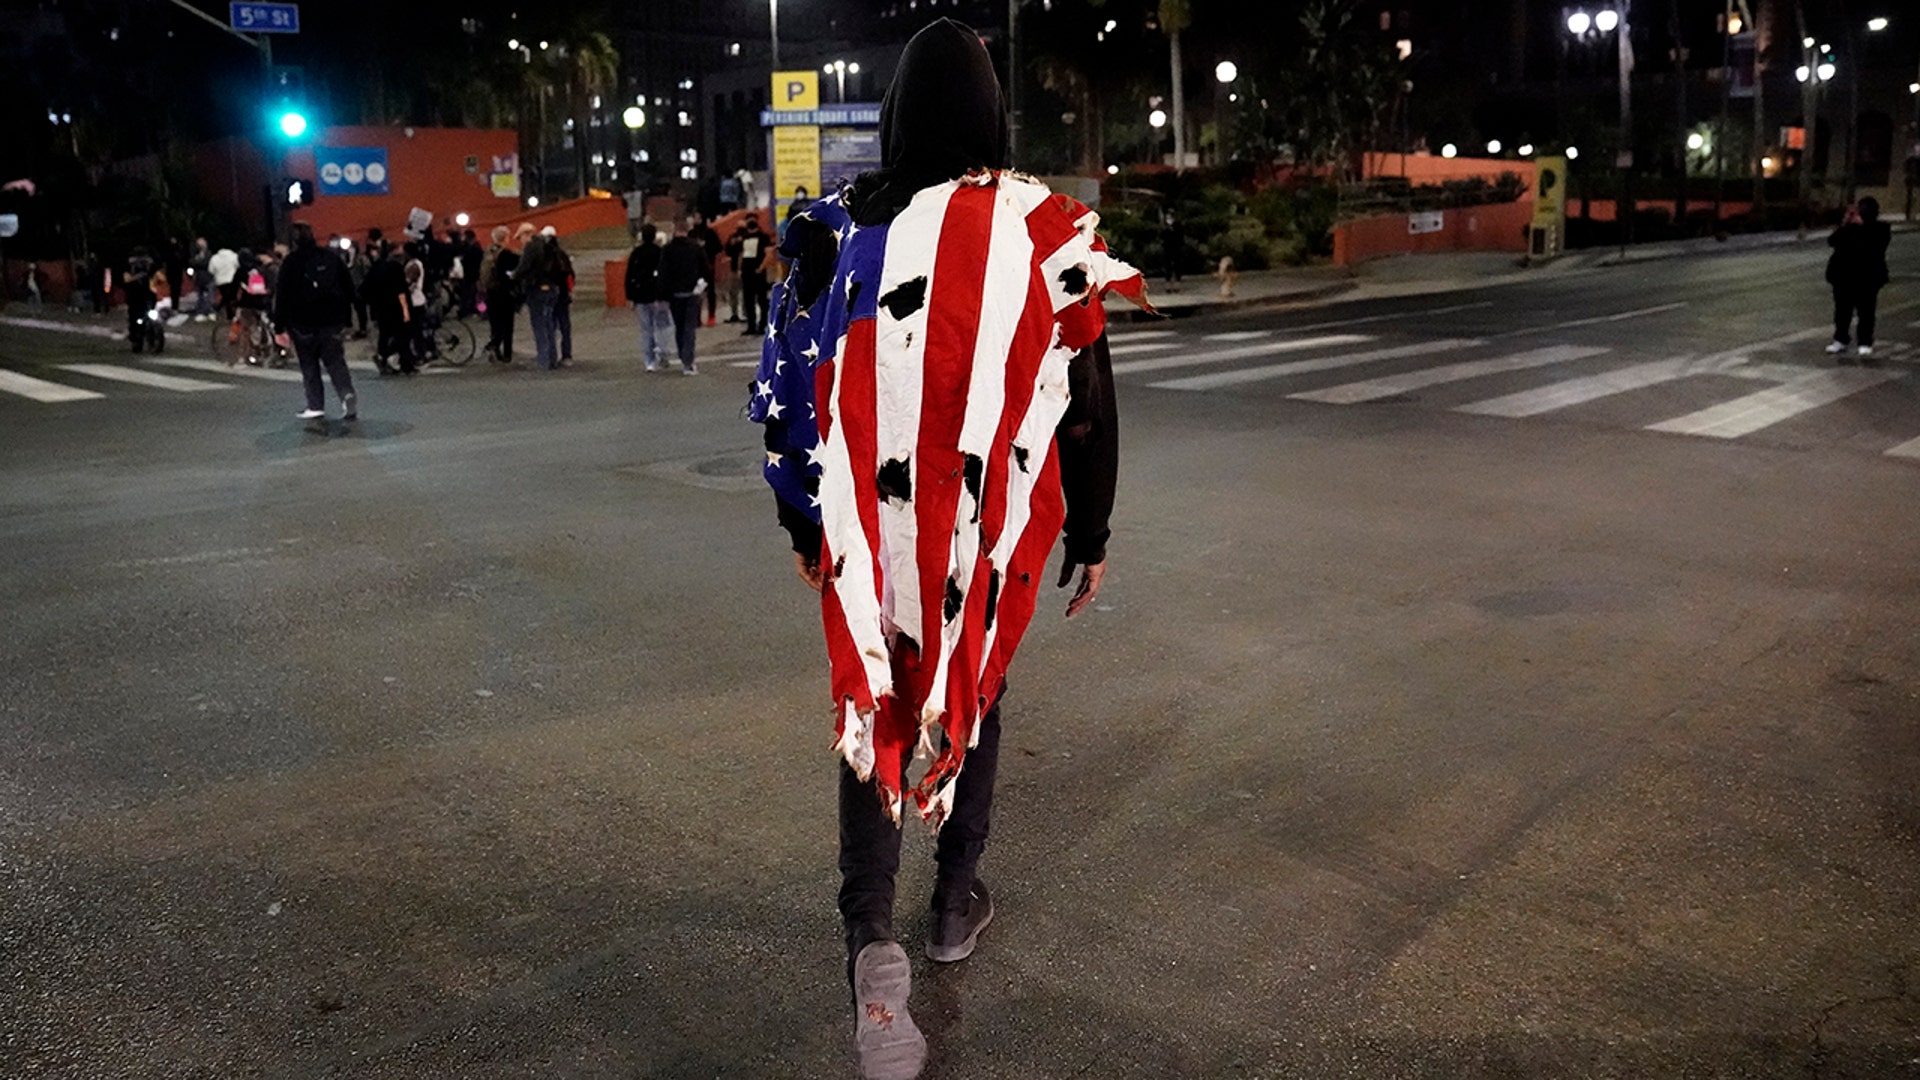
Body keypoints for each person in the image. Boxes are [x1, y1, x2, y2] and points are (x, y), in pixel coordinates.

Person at [746, 20, 1140, 1080]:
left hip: (869, 532)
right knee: (974, 693)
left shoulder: (834, 230)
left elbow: (792, 394)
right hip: (984, 531)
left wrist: (799, 525)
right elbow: (1087, 405)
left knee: (872, 708)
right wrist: (1091, 532)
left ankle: (870, 937)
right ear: (994, 115)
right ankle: (954, 902)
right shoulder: (1040, 230)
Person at [273, 222, 358, 423]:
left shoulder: (291, 262)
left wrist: (279, 326)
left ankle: (315, 405)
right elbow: (348, 288)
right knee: (336, 361)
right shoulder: (331, 257)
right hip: (331, 320)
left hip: (302, 322)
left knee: (309, 364)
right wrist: (347, 318)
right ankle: (346, 395)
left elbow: (282, 295)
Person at [1825, 196, 1892, 361]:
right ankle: (1841, 338)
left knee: (1866, 312)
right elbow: (1832, 241)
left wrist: (1859, 226)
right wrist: (1845, 224)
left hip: (1867, 278)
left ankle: (1865, 342)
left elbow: (1873, 247)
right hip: (1843, 277)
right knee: (1842, 311)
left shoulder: (1880, 229)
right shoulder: (1848, 228)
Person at [657, 215, 708, 375]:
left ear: (674, 230)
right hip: (692, 293)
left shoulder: (668, 249)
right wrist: (701, 286)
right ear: (688, 230)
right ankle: (688, 361)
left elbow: (663, 274)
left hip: (674, 294)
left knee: (679, 327)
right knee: (690, 328)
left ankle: (682, 355)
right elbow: (706, 270)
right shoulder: (696, 248)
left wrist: (662, 295)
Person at [624, 223, 672, 371]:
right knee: (663, 325)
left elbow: (629, 275)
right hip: (657, 295)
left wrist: (630, 296)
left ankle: (648, 361)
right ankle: (661, 349)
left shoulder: (636, 253)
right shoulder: (660, 253)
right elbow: (666, 275)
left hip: (640, 295)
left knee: (646, 329)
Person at [363, 243, 415, 375]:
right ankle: (405, 364)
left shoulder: (376, 267)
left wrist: (373, 307)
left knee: (385, 335)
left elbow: (366, 288)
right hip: (396, 306)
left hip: (381, 307)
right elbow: (401, 290)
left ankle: (383, 359)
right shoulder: (396, 268)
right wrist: (406, 309)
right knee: (402, 335)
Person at [519, 225, 562, 370]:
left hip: (537, 289)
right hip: (552, 288)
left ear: (527, 234)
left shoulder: (531, 247)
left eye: (521, 237)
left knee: (539, 325)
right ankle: (552, 358)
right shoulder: (547, 246)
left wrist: (513, 275)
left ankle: (543, 359)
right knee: (549, 324)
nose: (521, 241)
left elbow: (523, 268)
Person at [480, 225, 521, 363]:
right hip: (504, 293)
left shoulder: (488, 252)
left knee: (495, 322)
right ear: (505, 238)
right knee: (507, 324)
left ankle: (494, 348)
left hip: (490, 292)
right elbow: (511, 273)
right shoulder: (506, 254)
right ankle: (505, 353)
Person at [730, 217, 772, 335]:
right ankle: (751, 325)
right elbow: (741, 254)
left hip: (757, 272)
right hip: (747, 272)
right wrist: (740, 269)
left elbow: (768, 254)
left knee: (761, 300)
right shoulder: (745, 237)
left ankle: (762, 324)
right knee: (748, 300)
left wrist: (761, 268)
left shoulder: (763, 237)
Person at [543, 226, 576, 364]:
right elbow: (570, 274)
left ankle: (551, 355)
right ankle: (567, 355)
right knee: (565, 326)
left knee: (549, 326)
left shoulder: (543, 255)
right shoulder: (561, 254)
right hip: (563, 294)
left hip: (548, 293)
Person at [689, 213, 722, 326]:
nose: (696, 220)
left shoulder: (710, 232)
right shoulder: (691, 234)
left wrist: (710, 256)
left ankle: (711, 316)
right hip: (694, 267)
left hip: (708, 266)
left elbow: (718, 247)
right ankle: (696, 317)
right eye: (695, 218)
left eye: (698, 218)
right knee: (696, 292)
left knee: (710, 292)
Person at [122, 248, 158, 352]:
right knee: (135, 319)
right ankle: (136, 339)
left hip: (148, 295)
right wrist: (140, 275)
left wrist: (150, 267)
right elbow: (126, 279)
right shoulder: (129, 267)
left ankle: (152, 337)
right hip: (134, 296)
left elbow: (158, 275)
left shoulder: (150, 266)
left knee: (151, 315)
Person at [347, 238, 373, 338]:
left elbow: (367, 272)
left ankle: (364, 329)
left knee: (362, 310)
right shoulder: (349, 259)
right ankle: (361, 328)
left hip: (361, 288)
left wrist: (364, 286)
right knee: (358, 310)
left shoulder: (361, 258)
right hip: (354, 288)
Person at [209, 244, 240, 319]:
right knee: (232, 297)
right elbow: (238, 265)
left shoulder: (214, 258)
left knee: (226, 297)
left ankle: (226, 312)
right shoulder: (234, 256)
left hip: (220, 281)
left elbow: (211, 270)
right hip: (232, 279)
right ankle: (231, 314)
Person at [188, 238, 214, 320]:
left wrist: (198, 262)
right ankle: (201, 312)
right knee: (200, 297)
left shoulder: (209, 254)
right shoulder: (195, 254)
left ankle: (210, 312)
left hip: (208, 277)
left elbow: (206, 263)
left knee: (210, 297)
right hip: (199, 278)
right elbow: (191, 262)